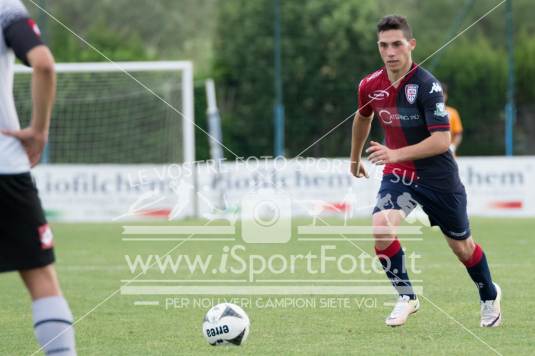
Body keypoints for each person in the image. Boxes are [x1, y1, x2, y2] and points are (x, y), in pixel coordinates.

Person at [349, 15, 501, 327]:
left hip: (438, 178)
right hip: (400, 175)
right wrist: (354, 159)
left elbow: (442, 141)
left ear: (411, 45)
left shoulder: (427, 86)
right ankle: (406, 296)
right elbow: (362, 117)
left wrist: (395, 152)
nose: (390, 52)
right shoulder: (370, 85)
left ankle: (489, 294)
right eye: (383, 45)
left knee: (461, 247)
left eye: (397, 44)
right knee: (380, 227)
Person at [0, 0, 77, 354]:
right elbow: (43, 65)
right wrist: (39, 130)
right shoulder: (6, 8)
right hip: (5, 167)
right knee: (40, 278)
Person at [442, 83, 464, 155]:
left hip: (449, 153)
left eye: (443, 94)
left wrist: (453, 146)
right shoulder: (426, 112)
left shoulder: (452, 112)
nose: (441, 97)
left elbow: (458, 133)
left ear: (446, 96)